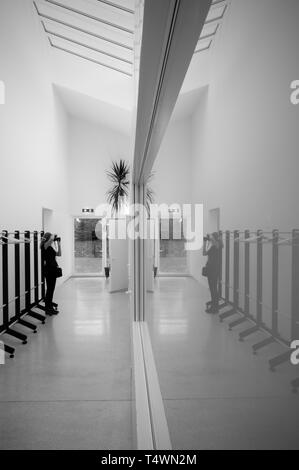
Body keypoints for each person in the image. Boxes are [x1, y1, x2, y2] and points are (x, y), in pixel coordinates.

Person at [40, 232, 61, 316]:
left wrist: (59, 244)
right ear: (48, 238)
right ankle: (48, 309)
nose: (52, 240)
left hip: (53, 270)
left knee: (51, 290)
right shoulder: (44, 246)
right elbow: (51, 239)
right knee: (49, 290)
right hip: (48, 270)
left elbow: (59, 254)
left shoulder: (50, 248)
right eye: (51, 238)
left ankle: (49, 307)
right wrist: (54, 235)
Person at [203, 232, 222, 313]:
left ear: (215, 238)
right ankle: (214, 306)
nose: (210, 239)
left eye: (212, 237)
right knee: (212, 288)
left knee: (213, 288)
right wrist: (205, 243)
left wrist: (211, 239)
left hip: (214, 269)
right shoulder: (212, 246)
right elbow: (204, 253)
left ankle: (215, 308)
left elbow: (217, 244)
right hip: (210, 268)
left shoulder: (219, 245)